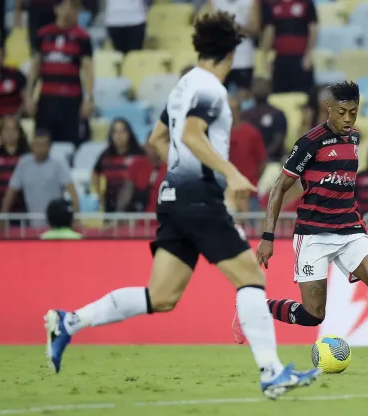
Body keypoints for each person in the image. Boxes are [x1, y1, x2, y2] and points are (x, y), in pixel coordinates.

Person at [43, 12, 321, 399]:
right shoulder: (211, 89)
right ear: (230, 54)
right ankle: (272, 372)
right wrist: (229, 173)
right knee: (252, 279)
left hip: (172, 198)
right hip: (199, 200)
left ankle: (69, 321)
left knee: (161, 296)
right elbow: (190, 133)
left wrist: (180, 168)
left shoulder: (182, 86)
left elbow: (159, 137)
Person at [240, 81, 368, 375]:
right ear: (329, 109)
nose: (348, 119)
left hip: (350, 229)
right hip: (312, 234)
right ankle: (255, 307)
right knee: (313, 315)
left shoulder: (355, 139)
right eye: (342, 112)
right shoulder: (309, 143)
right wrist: (267, 237)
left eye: (353, 112)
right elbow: (278, 189)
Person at [26, 0, 94, 147]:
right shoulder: (43, 34)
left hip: (71, 101)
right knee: (42, 143)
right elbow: (35, 68)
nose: (68, 10)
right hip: (46, 99)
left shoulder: (83, 37)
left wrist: (88, 99)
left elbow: (88, 70)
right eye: (64, 6)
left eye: (72, 7)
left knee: (69, 144)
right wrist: (29, 96)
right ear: (56, 8)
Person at [1, 130, 80, 226]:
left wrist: (75, 218)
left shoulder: (59, 164)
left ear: (50, 147)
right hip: (31, 224)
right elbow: (11, 193)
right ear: (31, 146)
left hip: (56, 224)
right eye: (37, 145)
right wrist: (2, 218)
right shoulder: (23, 164)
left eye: (43, 145)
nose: (40, 149)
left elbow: (73, 194)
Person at [260, 0, 318, 93]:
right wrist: (266, 56)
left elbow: (313, 30)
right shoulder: (273, 5)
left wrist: (308, 55)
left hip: (301, 59)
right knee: (279, 94)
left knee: (303, 94)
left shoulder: (306, 3)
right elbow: (270, 31)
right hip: (280, 59)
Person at [92, 118, 145, 213]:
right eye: (115, 132)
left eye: (122, 131)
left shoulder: (139, 154)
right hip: (110, 205)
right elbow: (95, 173)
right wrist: (100, 195)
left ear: (129, 133)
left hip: (134, 208)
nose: (119, 136)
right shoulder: (105, 155)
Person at [210, 0, 260, 101]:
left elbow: (255, 29)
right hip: (222, 58)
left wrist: (235, 27)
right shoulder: (214, 2)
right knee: (219, 97)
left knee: (243, 98)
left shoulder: (250, 2)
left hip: (243, 59)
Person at [0, 116, 31, 214]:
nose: (10, 133)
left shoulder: (26, 154)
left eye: (14, 130)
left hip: (22, 206)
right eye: (6, 130)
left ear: (20, 133)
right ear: (0, 132)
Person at [228, 96, 268, 214]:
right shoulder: (221, 135)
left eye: (233, 110)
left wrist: (252, 180)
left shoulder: (251, 133)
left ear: (239, 111)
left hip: (249, 193)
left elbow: (262, 162)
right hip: (228, 194)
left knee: (252, 229)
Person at [242, 77, 289, 162]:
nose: (260, 88)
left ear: (270, 89)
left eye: (264, 86)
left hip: (271, 161)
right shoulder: (245, 115)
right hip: (249, 159)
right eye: (257, 85)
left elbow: (278, 140)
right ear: (251, 89)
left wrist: (263, 156)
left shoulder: (277, 114)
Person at [117, 145, 167, 213]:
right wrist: (118, 214)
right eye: (152, 146)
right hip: (142, 219)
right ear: (145, 147)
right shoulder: (137, 164)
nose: (156, 149)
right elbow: (126, 192)